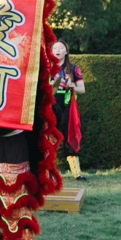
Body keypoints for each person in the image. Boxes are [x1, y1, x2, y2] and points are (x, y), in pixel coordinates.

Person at [50, 41, 85, 181]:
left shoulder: (73, 69)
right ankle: (48, 173)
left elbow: (82, 89)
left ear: (66, 51)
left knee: (71, 137)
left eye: (61, 48)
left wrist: (72, 86)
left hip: (67, 108)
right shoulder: (46, 68)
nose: (58, 50)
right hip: (50, 107)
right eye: (55, 48)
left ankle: (77, 173)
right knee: (49, 139)